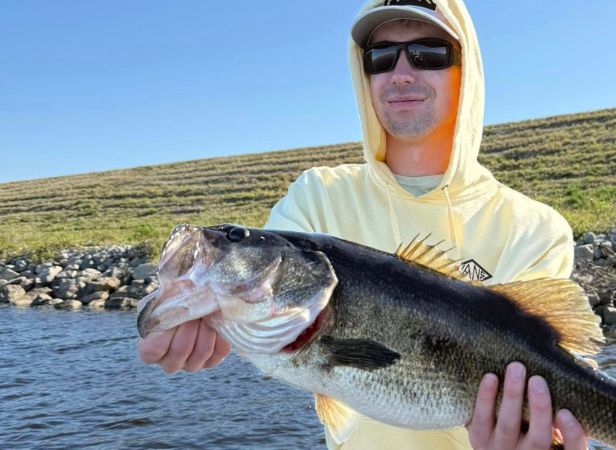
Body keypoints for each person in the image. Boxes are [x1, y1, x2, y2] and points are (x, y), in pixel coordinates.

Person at [138, 1, 590, 449]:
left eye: (428, 53)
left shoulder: (536, 228)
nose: (401, 73)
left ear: (466, 68)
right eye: (380, 58)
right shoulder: (316, 196)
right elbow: (260, 307)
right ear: (363, 74)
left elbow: (551, 363)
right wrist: (179, 314)